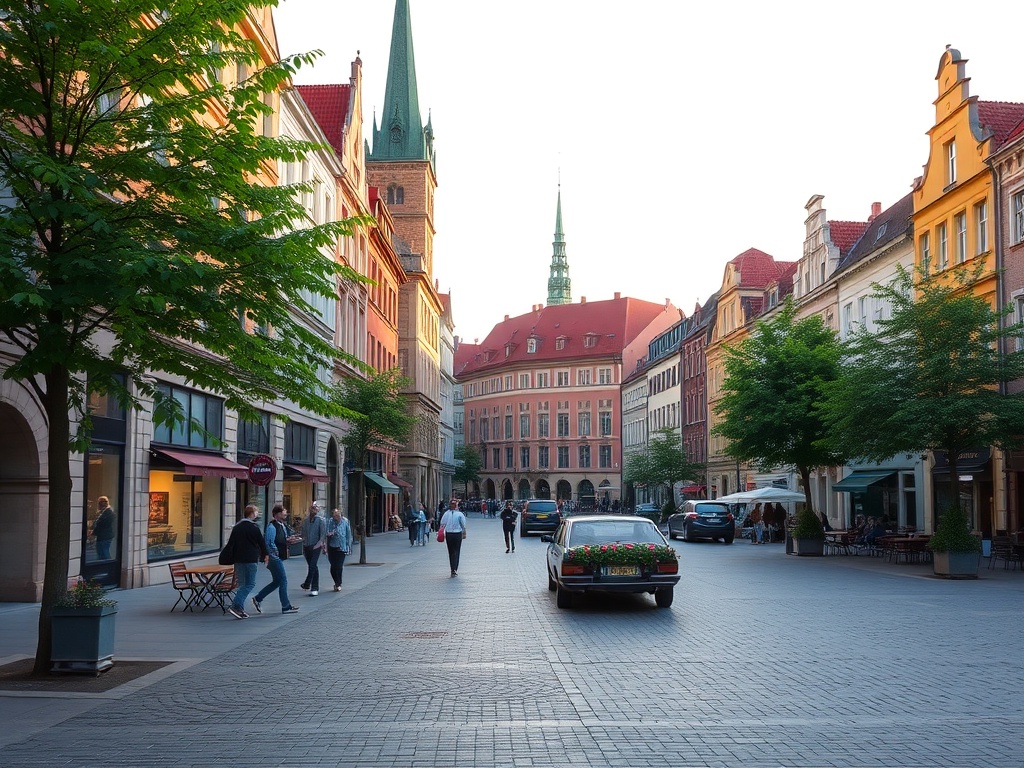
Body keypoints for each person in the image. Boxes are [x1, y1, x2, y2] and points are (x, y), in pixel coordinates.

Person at [252, 505, 301, 614]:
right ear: (277, 514)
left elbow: (281, 540)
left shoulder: (281, 525)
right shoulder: (272, 527)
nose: (286, 513)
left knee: (277, 581)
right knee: (283, 580)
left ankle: (258, 598)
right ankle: (286, 606)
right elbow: (269, 543)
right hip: (274, 558)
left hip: (277, 557)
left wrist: (288, 540)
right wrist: (275, 554)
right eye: (284, 512)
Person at [225, 504, 268, 619]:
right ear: (252, 513)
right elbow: (261, 543)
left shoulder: (237, 527)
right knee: (250, 584)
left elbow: (231, 544)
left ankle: (239, 608)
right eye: (256, 512)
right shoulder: (254, 527)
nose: (257, 514)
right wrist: (265, 555)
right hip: (250, 559)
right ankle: (237, 606)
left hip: (238, 559)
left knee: (242, 584)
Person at [300, 503, 327, 596]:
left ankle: (309, 585)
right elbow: (303, 533)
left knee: (312, 565)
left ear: (318, 510)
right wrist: (300, 540)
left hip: (316, 546)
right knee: (313, 567)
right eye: (312, 508)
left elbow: (323, 534)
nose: (313, 510)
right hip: (307, 546)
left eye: (315, 509)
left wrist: (320, 544)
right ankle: (312, 586)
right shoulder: (306, 521)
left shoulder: (321, 520)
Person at [439, 498, 468, 577]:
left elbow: (442, 524)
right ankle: (454, 568)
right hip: (456, 534)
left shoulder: (446, 514)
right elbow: (463, 524)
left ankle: (453, 568)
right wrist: (464, 533)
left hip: (450, 534)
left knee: (451, 552)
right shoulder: (459, 514)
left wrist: (442, 532)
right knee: (456, 551)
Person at [325, 508, 353, 591]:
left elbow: (348, 534)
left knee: (339, 566)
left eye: (337, 515)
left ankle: (338, 583)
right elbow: (327, 531)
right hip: (332, 546)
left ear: (341, 515)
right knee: (333, 567)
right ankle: (336, 582)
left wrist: (349, 547)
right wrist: (329, 534)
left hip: (341, 547)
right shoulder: (330, 521)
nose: (336, 517)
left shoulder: (345, 521)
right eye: (334, 515)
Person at [90, 496, 116, 560]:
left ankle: (107, 568)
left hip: (104, 537)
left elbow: (101, 524)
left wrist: (93, 533)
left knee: (103, 553)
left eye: (99, 503)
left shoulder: (108, 512)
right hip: (104, 537)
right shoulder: (105, 512)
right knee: (102, 553)